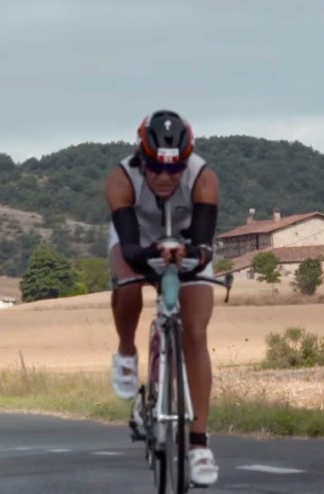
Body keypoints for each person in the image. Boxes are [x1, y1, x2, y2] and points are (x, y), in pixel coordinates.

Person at [104, 110, 220, 486]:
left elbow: (204, 247)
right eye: (156, 167)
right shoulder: (122, 180)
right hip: (138, 240)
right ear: (142, 158)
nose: (166, 177)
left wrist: (194, 256)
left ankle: (199, 444)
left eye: (176, 169)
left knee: (197, 333)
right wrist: (151, 252)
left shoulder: (204, 179)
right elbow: (131, 251)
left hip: (185, 244)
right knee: (129, 284)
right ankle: (126, 352)